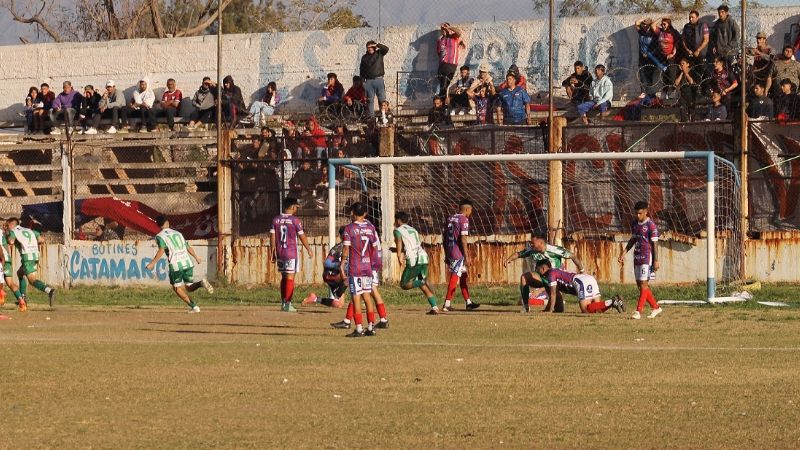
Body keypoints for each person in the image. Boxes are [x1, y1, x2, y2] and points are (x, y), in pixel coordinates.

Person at [145, 216, 213, 313]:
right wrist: (196, 257)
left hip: (176, 265)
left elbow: (161, 250)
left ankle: (194, 307)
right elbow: (187, 247)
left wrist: (152, 263)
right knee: (189, 287)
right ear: (167, 222)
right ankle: (201, 283)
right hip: (187, 262)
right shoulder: (178, 233)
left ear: (158, 225)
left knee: (177, 288)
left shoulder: (159, 236)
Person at [503, 235, 584, 313]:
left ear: (541, 242)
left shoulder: (554, 250)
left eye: (533, 242)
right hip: (541, 278)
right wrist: (508, 259)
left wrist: (582, 270)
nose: (531, 244)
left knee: (559, 309)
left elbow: (573, 256)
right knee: (524, 277)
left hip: (554, 281)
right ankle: (526, 306)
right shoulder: (532, 250)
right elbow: (519, 254)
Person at [338, 202, 381, 337]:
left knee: (356, 298)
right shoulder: (371, 228)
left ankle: (358, 329)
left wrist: (342, 263)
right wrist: (373, 263)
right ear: (365, 214)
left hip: (355, 267)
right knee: (367, 297)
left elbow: (346, 248)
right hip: (367, 267)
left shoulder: (349, 229)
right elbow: (375, 248)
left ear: (352, 213)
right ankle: (371, 327)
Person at [618, 201, 663, 320]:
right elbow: (633, 239)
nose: (638, 216)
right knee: (641, 286)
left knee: (644, 284)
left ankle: (638, 311)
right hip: (636, 256)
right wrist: (624, 252)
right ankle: (656, 307)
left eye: (640, 213)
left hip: (647, 257)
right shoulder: (634, 223)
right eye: (636, 213)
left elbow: (655, 244)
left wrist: (656, 260)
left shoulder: (651, 225)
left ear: (646, 212)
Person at [269, 197, 312, 312]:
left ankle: (283, 303)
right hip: (291, 253)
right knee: (290, 277)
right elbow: (302, 236)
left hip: (280, 252)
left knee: (284, 277)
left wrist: (272, 250)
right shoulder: (295, 220)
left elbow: (272, 236)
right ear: (293, 207)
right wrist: (308, 248)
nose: (296, 209)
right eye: (296, 207)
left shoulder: (275, 220)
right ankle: (288, 304)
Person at [536, 259, 624, 314]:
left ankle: (612, 302)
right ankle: (615, 301)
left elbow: (553, 294)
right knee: (596, 309)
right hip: (589, 278)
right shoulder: (555, 270)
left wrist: (550, 310)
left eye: (537, 269)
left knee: (586, 310)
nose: (537, 272)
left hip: (580, 281)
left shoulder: (550, 274)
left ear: (543, 268)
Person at [393, 211, 439, 315]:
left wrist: (399, 255)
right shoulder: (413, 229)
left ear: (398, 220)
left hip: (414, 260)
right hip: (423, 256)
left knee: (404, 284)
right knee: (421, 285)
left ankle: (422, 281)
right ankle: (435, 307)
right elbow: (412, 244)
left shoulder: (397, 230)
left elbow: (399, 242)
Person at [6, 218, 56, 311]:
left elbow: (11, 242)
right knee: (20, 273)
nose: (7, 228)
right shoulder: (29, 230)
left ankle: (49, 291)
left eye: (7, 225)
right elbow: (42, 240)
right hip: (35, 255)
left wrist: (8, 238)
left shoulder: (13, 231)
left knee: (32, 280)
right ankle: (23, 298)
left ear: (12, 225)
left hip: (27, 257)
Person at [442, 199, 479, 312]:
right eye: (471, 210)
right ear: (467, 209)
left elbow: (444, 237)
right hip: (458, 252)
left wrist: (447, 253)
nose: (471, 212)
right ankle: (447, 304)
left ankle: (468, 302)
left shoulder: (450, 218)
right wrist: (467, 256)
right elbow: (463, 238)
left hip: (450, 250)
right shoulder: (464, 219)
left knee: (463, 276)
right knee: (455, 276)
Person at [303, 227, 346, 308]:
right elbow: (327, 263)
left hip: (341, 276)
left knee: (339, 304)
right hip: (332, 276)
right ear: (341, 236)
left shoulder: (351, 247)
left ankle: (315, 298)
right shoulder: (338, 248)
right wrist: (340, 267)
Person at [360, 40, 389, 116]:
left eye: (370, 47)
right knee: (370, 100)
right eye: (367, 47)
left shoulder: (379, 53)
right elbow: (361, 70)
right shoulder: (364, 57)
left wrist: (377, 44)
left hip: (379, 80)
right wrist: (362, 81)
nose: (369, 48)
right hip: (368, 82)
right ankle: (371, 118)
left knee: (382, 100)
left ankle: (383, 117)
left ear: (374, 47)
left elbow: (386, 49)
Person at [436, 23, 465, 97]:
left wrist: (449, 27)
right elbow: (438, 52)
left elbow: (459, 32)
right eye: (442, 29)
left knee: (445, 86)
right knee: (442, 86)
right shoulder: (441, 40)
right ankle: (442, 101)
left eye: (445, 28)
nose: (444, 30)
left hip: (450, 64)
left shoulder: (454, 38)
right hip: (442, 65)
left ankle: (443, 102)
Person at [0, 220, 23, 310]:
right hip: (7, 259)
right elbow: (9, 243)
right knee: (10, 283)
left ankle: (1, 297)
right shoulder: (4, 233)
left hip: (2, 259)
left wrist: (3, 259)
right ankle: (21, 300)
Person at [674, 57, 699, 122]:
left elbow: (691, 81)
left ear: (688, 64)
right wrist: (682, 73)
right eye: (681, 64)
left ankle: (692, 120)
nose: (682, 65)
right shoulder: (679, 72)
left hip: (691, 91)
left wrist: (686, 73)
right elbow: (676, 83)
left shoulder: (692, 71)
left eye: (683, 63)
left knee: (691, 107)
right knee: (682, 107)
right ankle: (683, 120)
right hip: (682, 92)